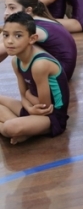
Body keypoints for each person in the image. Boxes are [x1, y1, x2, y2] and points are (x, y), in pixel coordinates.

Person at [0, 13, 70, 144]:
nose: (9, 41)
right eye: (5, 35)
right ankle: (26, 131)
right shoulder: (16, 62)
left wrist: (27, 97)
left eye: (18, 35)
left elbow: (45, 107)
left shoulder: (40, 64)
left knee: (10, 127)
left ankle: (11, 128)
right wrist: (29, 106)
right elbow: (23, 94)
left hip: (51, 116)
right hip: (32, 108)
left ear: (32, 39)